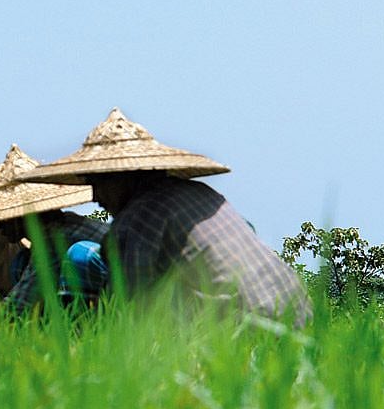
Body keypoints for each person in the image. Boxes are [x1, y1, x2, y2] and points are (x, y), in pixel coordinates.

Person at [18, 108, 311, 325]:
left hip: (247, 332)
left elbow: (127, 311)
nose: (96, 197)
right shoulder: (201, 194)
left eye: (99, 184)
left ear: (123, 177)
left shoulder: (139, 216)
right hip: (297, 317)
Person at [0, 145, 109, 314]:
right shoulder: (65, 224)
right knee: (21, 263)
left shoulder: (54, 240)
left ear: (22, 215)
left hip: (122, 299)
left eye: (4, 217)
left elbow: (18, 308)